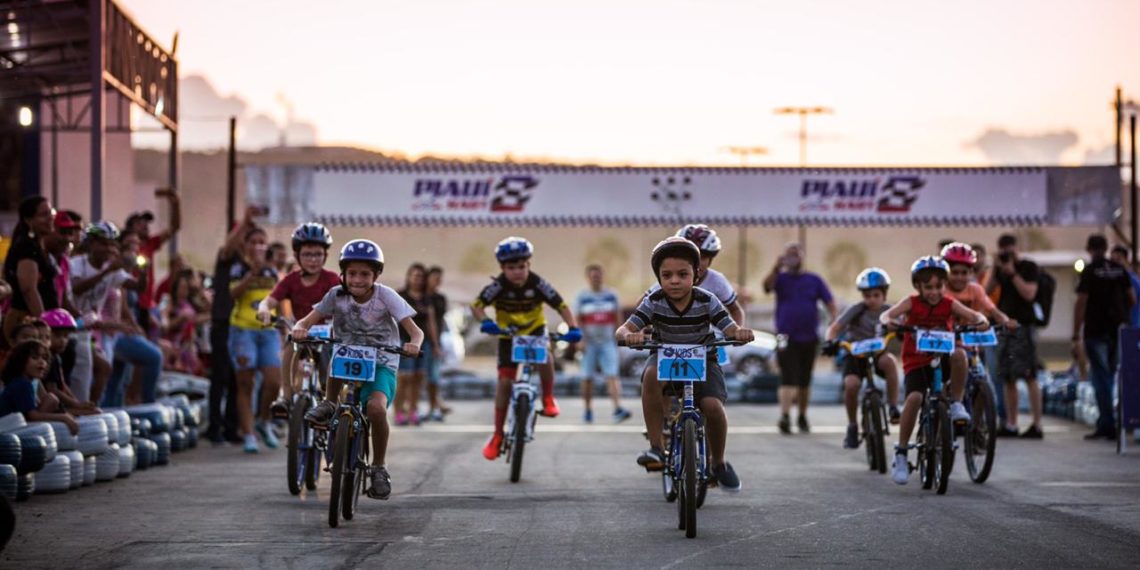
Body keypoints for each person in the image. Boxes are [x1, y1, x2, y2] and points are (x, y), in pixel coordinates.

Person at [618, 237, 754, 491]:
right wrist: (629, 335)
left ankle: (719, 463)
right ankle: (657, 448)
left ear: (697, 274)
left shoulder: (707, 300)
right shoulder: (654, 301)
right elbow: (624, 329)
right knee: (650, 377)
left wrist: (738, 333)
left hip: (703, 356)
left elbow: (730, 326)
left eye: (683, 274)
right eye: (667, 275)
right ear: (658, 277)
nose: (675, 281)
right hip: (664, 354)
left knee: (712, 405)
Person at [295, 239, 423, 500]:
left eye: (365, 274)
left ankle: (379, 467)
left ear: (376, 275)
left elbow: (415, 331)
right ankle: (330, 403)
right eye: (352, 273)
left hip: (382, 362)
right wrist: (300, 329)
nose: (357, 279)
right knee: (339, 355)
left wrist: (414, 344)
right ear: (343, 273)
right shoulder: (335, 295)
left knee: (375, 409)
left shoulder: (386, 296)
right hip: (348, 357)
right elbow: (307, 320)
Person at [880, 256, 988, 485]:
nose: (934, 292)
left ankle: (957, 403)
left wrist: (980, 319)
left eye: (939, 286)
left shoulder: (949, 303)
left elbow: (974, 315)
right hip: (916, 362)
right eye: (928, 287)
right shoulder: (911, 302)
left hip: (943, 357)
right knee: (915, 398)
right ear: (918, 287)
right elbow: (887, 313)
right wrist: (889, 320)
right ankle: (901, 452)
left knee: (960, 354)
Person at [472, 236, 581, 460]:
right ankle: (497, 435)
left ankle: (548, 398)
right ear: (502, 268)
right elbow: (477, 306)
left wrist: (573, 327)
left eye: (521, 267)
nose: (517, 272)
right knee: (504, 382)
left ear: (528, 265)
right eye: (511, 268)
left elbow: (561, 305)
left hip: (534, 331)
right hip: (508, 336)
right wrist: (485, 321)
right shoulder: (497, 286)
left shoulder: (538, 283)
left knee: (547, 358)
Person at [70, 222, 163, 407]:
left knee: (105, 370)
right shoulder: (78, 264)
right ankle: (83, 408)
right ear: (91, 243)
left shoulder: (112, 268)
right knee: (88, 376)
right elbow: (77, 289)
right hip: (73, 325)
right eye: (104, 243)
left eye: (112, 244)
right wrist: (107, 271)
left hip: (91, 329)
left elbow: (137, 286)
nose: (109, 249)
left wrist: (143, 272)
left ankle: (94, 408)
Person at [258, 223, 338, 417]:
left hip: (328, 335)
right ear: (297, 256)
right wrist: (263, 310)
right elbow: (268, 301)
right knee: (290, 344)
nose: (313, 260)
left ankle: (329, 399)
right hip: (301, 334)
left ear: (325, 256)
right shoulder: (291, 280)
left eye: (318, 254)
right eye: (307, 254)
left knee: (329, 364)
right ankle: (285, 397)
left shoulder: (332, 279)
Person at [822, 268, 901, 449]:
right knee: (851, 385)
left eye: (876, 295)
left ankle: (893, 406)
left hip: (877, 353)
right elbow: (835, 327)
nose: (871, 299)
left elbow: (901, 323)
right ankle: (852, 425)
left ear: (884, 294)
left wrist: (901, 330)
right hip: (855, 353)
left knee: (890, 362)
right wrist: (830, 341)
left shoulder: (889, 312)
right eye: (867, 295)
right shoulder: (857, 310)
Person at [763, 242, 837, 434]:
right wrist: (776, 267)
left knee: (805, 379)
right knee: (787, 377)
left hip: (809, 336)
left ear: (802, 257)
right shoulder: (780, 278)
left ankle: (802, 415)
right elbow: (766, 286)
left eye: (796, 255)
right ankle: (785, 416)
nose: (793, 258)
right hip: (784, 336)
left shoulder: (814, 280)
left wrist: (834, 322)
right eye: (789, 255)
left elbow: (830, 302)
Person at [1074, 235, 1136, 441]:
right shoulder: (1119, 270)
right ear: (1106, 248)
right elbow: (1132, 298)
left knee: (1101, 377)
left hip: (1096, 330)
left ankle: (1107, 424)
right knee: (1114, 374)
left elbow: (1081, 302)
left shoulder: (1090, 271)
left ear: (1089, 249)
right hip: (1117, 330)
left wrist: (1076, 332)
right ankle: (1117, 421)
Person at [227, 224, 282, 453]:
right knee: (245, 383)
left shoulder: (271, 271)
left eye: (263, 241)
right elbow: (233, 294)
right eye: (254, 242)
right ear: (246, 245)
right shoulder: (237, 268)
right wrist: (251, 275)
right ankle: (248, 433)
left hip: (268, 330)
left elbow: (278, 298)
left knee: (273, 382)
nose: (259, 246)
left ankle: (264, 419)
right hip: (243, 330)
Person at [986, 234, 1044, 439]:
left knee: (1030, 375)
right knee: (1007, 377)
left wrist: (1012, 274)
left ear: (1017, 248)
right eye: (1004, 251)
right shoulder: (1000, 269)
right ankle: (1011, 423)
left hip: (1024, 327)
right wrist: (995, 268)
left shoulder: (1028, 267)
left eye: (1010, 250)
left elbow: (1029, 294)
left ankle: (1037, 424)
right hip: (1005, 327)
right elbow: (986, 292)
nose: (1007, 255)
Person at [207, 211, 256, 445]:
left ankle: (231, 427)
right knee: (220, 376)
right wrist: (245, 222)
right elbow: (229, 244)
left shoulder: (251, 265)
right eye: (243, 236)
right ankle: (214, 428)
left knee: (239, 378)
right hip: (222, 322)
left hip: (243, 326)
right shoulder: (227, 259)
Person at [574, 264, 631, 423]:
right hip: (589, 343)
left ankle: (617, 407)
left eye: (598, 276)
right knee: (587, 377)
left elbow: (617, 317)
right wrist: (581, 340)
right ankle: (587, 409)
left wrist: (620, 338)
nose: (596, 279)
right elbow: (578, 320)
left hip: (607, 342)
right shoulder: (582, 296)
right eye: (593, 276)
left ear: (602, 276)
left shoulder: (612, 295)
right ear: (588, 278)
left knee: (612, 375)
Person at [2, 196, 60, 346]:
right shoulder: (26, 248)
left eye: (51, 213)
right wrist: (43, 325)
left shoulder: (37, 246)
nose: (50, 218)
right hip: (26, 323)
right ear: (28, 220)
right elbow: (29, 290)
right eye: (43, 215)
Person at [124, 189, 181, 336]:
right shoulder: (123, 248)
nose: (145, 225)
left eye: (146, 223)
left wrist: (175, 203)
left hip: (148, 304)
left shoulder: (150, 244)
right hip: (133, 304)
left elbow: (174, 227)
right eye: (139, 223)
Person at [0, 339, 79, 436]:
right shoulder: (21, 383)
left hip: (18, 423)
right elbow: (33, 416)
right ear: (21, 360)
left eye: (44, 358)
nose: (42, 362)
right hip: (7, 428)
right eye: (35, 357)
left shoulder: (27, 382)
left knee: (51, 399)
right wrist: (64, 417)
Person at [393, 263, 437, 427]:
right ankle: (398, 412)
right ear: (409, 277)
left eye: (421, 277)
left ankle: (413, 410)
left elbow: (431, 322)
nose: (418, 280)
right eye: (415, 276)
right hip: (404, 341)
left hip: (423, 343)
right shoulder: (401, 295)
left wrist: (436, 345)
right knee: (404, 377)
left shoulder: (427, 298)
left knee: (419, 378)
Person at [39, 309, 101, 416]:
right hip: (47, 405)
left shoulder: (56, 357)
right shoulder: (48, 358)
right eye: (57, 336)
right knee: (93, 413)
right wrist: (76, 404)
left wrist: (77, 402)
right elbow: (52, 389)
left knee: (94, 412)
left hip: (57, 403)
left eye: (66, 336)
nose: (63, 340)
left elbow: (63, 385)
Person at [424, 266, 451, 420]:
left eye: (439, 278)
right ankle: (433, 405)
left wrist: (437, 343)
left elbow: (438, 321)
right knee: (419, 376)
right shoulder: (422, 298)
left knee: (434, 375)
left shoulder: (440, 298)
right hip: (424, 341)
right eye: (435, 278)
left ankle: (434, 405)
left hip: (435, 340)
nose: (437, 281)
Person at [1109, 245, 1140, 328]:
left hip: (1132, 327)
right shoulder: (1113, 280)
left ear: (1126, 260)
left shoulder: (1133, 280)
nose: (1115, 263)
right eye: (1112, 260)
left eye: (1118, 259)